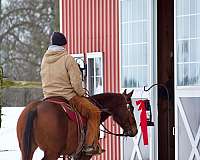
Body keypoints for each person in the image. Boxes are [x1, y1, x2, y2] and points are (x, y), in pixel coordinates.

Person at [40, 32, 101, 155]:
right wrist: (81, 92)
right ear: (64, 44)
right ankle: (89, 146)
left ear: (52, 44)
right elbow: (76, 83)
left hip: (48, 97)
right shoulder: (68, 58)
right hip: (67, 96)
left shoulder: (45, 59)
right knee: (95, 112)